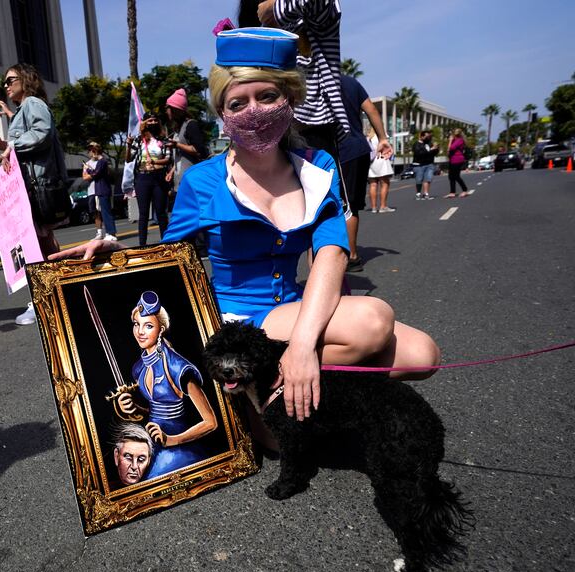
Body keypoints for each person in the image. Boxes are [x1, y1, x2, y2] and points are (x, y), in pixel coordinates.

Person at [53, 27, 440, 426]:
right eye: (237, 102)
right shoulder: (202, 180)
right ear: (223, 114)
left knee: (422, 355)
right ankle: (258, 392)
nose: (252, 110)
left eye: (266, 96)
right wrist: (116, 251)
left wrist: (304, 347)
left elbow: (332, 252)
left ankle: (269, 387)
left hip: (292, 307)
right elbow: (166, 259)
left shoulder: (318, 165)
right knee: (372, 322)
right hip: (235, 320)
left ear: (289, 98)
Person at [0, 63, 67, 325]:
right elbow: (14, 145)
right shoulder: (23, 109)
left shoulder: (33, 103)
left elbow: (41, 133)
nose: (6, 85)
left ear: (26, 79)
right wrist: (6, 150)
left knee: (40, 243)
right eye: (5, 82)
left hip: (39, 185)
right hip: (33, 185)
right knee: (43, 242)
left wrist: (13, 145)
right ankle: (56, 294)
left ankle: (46, 299)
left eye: (10, 80)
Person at [113, 292, 217, 478]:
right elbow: (154, 411)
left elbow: (211, 422)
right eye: (137, 324)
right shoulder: (139, 368)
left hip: (179, 448)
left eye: (148, 326)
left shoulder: (177, 367)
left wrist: (172, 440)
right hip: (152, 443)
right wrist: (132, 408)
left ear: (161, 330)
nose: (140, 332)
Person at [238, 0, 349, 164]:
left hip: (309, 129)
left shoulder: (311, 18)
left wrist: (273, 7)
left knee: (320, 187)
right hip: (265, 134)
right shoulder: (256, 32)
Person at [337, 74, 393, 273]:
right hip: (355, 148)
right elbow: (371, 110)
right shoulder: (349, 81)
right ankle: (351, 255)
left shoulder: (311, 79)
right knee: (351, 206)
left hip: (330, 150)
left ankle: (336, 257)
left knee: (323, 206)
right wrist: (383, 138)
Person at [125, 113, 171, 246]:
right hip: (142, 178)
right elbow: (129, 159)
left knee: (161, 213)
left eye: (155, 120)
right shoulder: (139, 140)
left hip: (159, 178)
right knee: (143, 213)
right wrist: (128, 145)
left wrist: (156, 161)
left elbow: (168, 159)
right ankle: (142, 245)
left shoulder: (163, 139)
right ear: (145, 122)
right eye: (150, 120)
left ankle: (166, 243)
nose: (153, 122)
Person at [164, 88, 209, 192]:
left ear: (175, 109)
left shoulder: (191, 125)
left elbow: (199, 150)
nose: (166, 111)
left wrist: (177, 145)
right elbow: (180, 157)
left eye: (167, 108)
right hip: (180, 181)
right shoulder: (177, 129)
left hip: (192, 180)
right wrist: (171, 172)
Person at [82, 142, 117, 241]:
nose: (89, 152)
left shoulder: (102, 161)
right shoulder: (102, 161)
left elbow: (95, 173)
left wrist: (87, 169)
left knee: (106, 212)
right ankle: (109, 233)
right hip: (101, 190)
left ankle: (111, 233)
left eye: (90, 150)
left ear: (94, 151)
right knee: (103, 212)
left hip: (103, 189)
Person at [367, 127, 394, 213]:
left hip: (371, 162)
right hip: (381, 160)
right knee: (385, 183)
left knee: (373, 184)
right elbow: (387, 147)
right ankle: (383, 206)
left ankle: (374, 207)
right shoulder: (382, 136)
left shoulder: (369, 137)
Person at [446, 128, 473, 199]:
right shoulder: (454, 140)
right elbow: (448, 151)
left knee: (456, 176)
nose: (451, 136)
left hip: (457, 160)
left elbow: (451, 148)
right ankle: (452, 192)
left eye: (452, 134)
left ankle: (465, 190)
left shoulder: (460, 140)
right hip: (452, 160)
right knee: (451, 176)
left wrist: (450, 141)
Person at [412, 130, 438, 200]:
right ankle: (418, 194)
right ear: (421, 136)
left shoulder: (429, 143)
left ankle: (426, 194)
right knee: (419, 180)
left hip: (429, 164)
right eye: (426, 136)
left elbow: (434, 153)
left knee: (427, 179)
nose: (428, 138)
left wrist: (436, 148)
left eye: (429, 136)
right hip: (419, 165)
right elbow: (419, 153)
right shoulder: (416, 144)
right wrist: (430, 149)